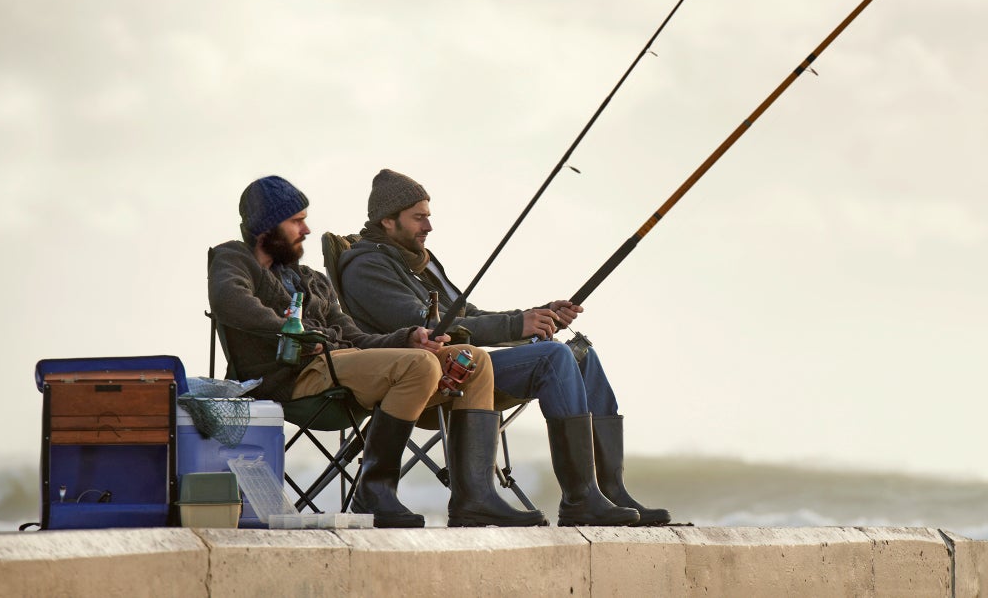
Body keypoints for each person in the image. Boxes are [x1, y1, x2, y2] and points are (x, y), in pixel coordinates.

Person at [208, 175, 545, 529]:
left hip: (343, 366)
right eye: (296, 220)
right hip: (296, 378)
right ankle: (374, 492)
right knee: (421, 367)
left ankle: (475, 500)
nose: (306, 229)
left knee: (473, 360)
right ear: (267, 228)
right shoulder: (233, 258)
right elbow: (231, 301)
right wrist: (295, 330)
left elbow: (354, 337)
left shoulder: (310, 279)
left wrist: (407, 337)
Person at [338, 169, 671, 526]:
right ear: (388, 221)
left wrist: (535, 317)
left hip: (465, 367)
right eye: (419, 218)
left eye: (429, 217)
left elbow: (468, 315)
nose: (429, 227)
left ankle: (609, 491)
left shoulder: (421, 263)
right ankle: (579, 501)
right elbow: (433, 327)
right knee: (554, 357)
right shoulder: (366, 267)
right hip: (429, 380)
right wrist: (516, 325)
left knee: (579, 354)